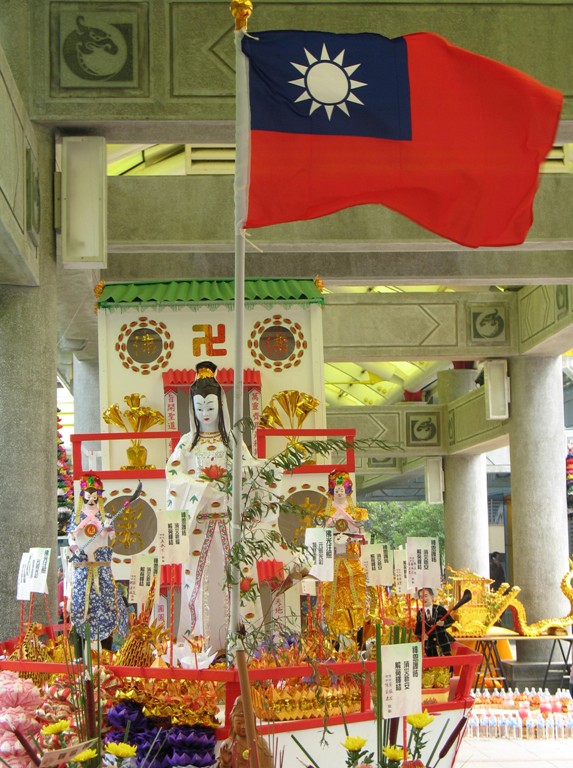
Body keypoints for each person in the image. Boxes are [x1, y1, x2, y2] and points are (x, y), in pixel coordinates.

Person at [166, 361, 279, 651]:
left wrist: (258, 472)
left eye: (210, 407)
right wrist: (202, 487)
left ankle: (240, 644)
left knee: (236, 581)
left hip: (230, 524)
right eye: (200, 407)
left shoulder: (233, 444)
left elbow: (252, 471)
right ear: (193, 408)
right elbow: (174, 478)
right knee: (200, 583)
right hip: (199, 524)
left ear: (221, 406)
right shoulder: (186, 444)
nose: (205, 413)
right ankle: (200, 645)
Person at [67, 474, 128, 650]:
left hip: (101, 571)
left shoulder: (106, 517)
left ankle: (107, 654)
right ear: (83, 495)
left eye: (95, 497)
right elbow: (71, 537)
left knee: (107, 607)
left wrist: (109, 530)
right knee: (80, 608)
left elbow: (111, 539)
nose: (92, 500)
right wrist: (75, 549)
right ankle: (79, 657)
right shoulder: (76, 517)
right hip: (82, 569)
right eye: (89, 496)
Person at [320, 470, 370, 643]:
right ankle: (334, 637)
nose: (340, 491)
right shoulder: (323, 513)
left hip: (352, 561)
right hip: (333, 562)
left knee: (355, 598)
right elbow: (319, 538)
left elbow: (362, 537)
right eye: (337, 488)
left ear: (348, 490)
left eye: (342, 488)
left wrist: (350, 538)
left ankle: (356, 634)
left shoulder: (357, 513)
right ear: (332, 490)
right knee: (332, 599)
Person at [415, 587, 454, 657]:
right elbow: (418, 631)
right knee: (432, 664)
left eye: (426, 596)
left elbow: (450, 620)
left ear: (432, 596)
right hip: (429, 644)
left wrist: (443, 623)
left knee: (446, 663)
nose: (423, 599)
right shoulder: (420, 613)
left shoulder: (440, 609)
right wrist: (422, 635)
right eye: (421, 597)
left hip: (442, 641)